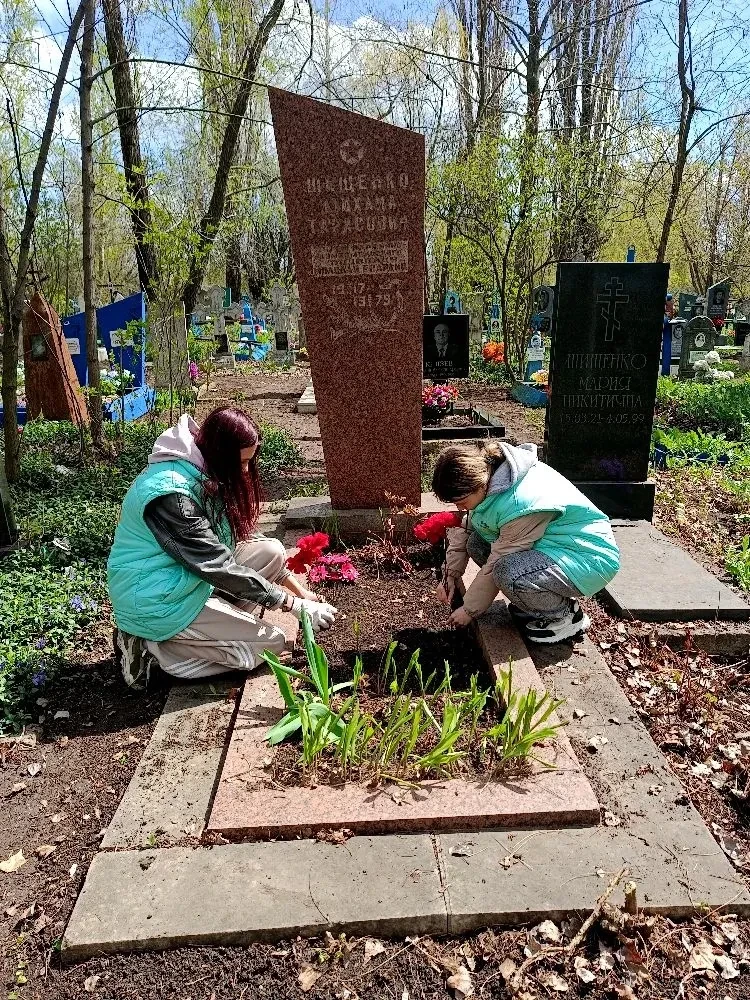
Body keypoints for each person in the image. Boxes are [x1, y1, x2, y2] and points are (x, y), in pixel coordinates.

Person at [108, 407, 337, 686]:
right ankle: (153, 649)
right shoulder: (172, 496)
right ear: (221, 453)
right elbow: (216, 565)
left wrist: (301, 593)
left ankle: (211, 628)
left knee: (271, 552)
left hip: (184, 581)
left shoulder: (200, 466)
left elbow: (232, 541)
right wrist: (290, 604)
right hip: (156, 601)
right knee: (271, 644)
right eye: (241, 462)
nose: (245, 470)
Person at [431, 442, 620, 644]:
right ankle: (535, 601)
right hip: (556, 546)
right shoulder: (493, 479)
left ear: (479, 484)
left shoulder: (519, 503)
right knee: (477, 543)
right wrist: (450, 576)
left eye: (461, 501)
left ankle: (565, 616)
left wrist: (468, 610)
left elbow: (496, 562)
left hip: (588, 557)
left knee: (507, 572)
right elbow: (468, 528)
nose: (460, 508)